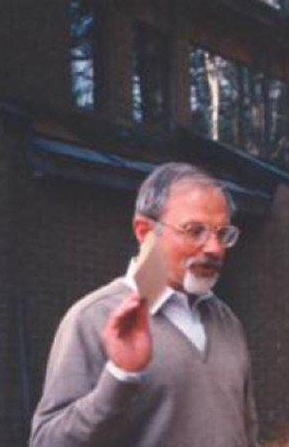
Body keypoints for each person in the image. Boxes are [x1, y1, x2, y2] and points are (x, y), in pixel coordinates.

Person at [31, 163, 258, 447]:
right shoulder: (92, 319)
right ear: (144, 231)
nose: (215, 248)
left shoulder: (227, 321)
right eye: (195, 230)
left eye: (222, 233)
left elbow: (247, 435)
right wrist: (120, 376)